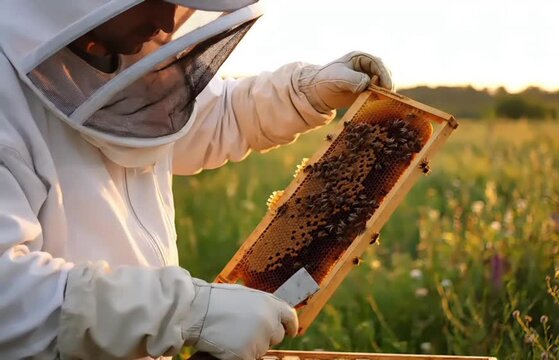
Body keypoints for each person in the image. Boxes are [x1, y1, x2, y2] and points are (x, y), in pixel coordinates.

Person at [0, 0, 393, 359]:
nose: (168, 21)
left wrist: (303, 92)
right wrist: (186, 311)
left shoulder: (130, 59)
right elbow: (10, 298)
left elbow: (212, 117)